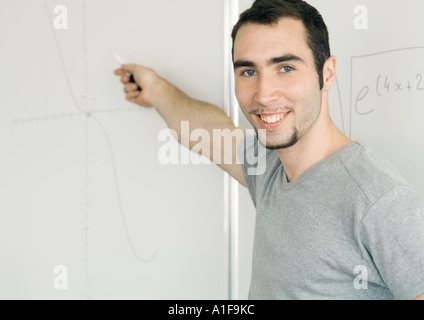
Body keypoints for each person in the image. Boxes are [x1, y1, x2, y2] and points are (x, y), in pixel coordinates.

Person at [114, 0, 424, 300]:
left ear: (327, 73)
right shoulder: (268, 166)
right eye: (248, 72)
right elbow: (207, 133)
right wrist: (154, 88)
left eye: (285, 68)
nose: (263, 94)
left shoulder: (377, 199)